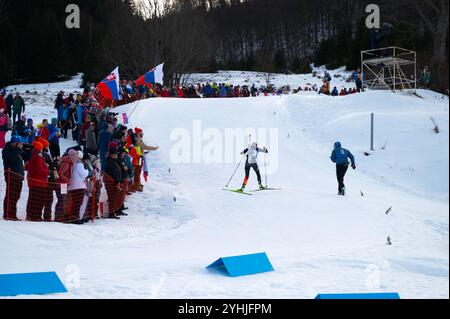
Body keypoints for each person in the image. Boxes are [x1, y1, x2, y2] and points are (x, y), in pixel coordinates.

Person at [2, 137, 33, 220]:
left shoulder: (16, 150)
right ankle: (7, 214)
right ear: (13, 143)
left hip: (19, 175)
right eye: (17, 143)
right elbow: (11, 158)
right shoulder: (7, 149)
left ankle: (12, 214)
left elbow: (27, 158)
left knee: (16, 195)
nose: (18, 145)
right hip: (11, 175)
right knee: (10, 195)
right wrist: (18, 148)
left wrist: (29, 149)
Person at [25, 141, 49, 222]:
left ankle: (31, 215)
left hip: (33, 181)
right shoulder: (38, 158)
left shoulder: (31, 156)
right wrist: (47, 171)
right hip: (39, 182)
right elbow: (40, 169)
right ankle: (36, 215)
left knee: (32, 199)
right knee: (38, 200)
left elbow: (27, 167)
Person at [65, 150, 88, 224]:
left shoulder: (73, 163)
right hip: (79, 186)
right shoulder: (79, 164)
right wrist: (87, 171)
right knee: (78, 203)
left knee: (75, 202)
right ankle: (75, 218)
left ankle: (74, 217)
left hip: (73, 186)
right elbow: (83, 174)